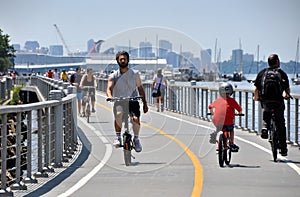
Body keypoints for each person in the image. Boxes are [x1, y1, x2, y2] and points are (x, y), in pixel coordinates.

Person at [106, 51, 148, 152]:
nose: (123, 61)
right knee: (119, 114)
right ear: (117, 61)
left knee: (135, 119)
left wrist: (145, 104)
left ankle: (136, 139)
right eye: (121, 59)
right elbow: (109, 88)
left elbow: (141, 89)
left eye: (125, 59)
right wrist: (110, 96)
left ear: (128, 60)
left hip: (132, 101)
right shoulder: (114, 76)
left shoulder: (134, 74)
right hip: (119, 101)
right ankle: (118, 137)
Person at [253, 54, 290, 156]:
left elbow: (256, 89)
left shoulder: (262, 73)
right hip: (278, 101)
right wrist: (286, 95)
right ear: (277, 62)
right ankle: (283, 149)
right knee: (280, 124)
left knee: (266, 111)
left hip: (266, 101)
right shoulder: (281, 73)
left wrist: (256, 98)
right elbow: (287, 90)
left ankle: (265, 126)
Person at [208, 82, 242, 152]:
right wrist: (239, 113)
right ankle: (232, 143)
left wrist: (212, 113)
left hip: (217, 121)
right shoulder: (232, 101)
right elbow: (239, 109)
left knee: (219, 126)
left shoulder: (218, 100)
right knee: (231, 129)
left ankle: (215, 134)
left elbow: (210, 106)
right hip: (228, 122)